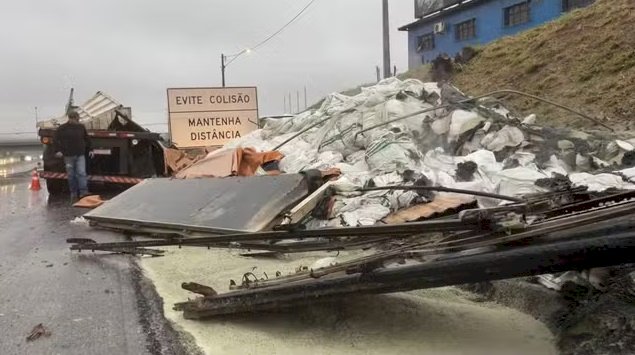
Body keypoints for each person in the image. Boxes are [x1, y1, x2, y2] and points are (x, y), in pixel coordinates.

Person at [53, 111, 92, 200]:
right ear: (71, 118)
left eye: (77, 119)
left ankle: (83, 192)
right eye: (76, 119)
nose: (77, 121)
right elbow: (55, 139)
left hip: (80, 155)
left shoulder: (81, 127)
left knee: (81, 173)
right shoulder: (62, 128)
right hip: (68, 156)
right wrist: (57, 151)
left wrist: (90, 149)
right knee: (71, 175)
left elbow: (87, 138)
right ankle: (73, 193)